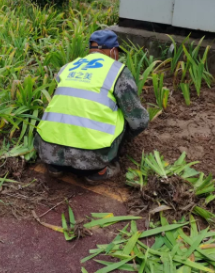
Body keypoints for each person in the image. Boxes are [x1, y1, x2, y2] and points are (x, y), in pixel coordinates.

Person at [35, 30, 149, 185]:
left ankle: (57, 167)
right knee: (123, 115)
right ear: (113, 51)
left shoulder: (68, 67)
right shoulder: (117, 71)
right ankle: (98, 171)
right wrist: (128, 138)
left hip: (49, 150)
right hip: (91, 156)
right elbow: (137, 119)